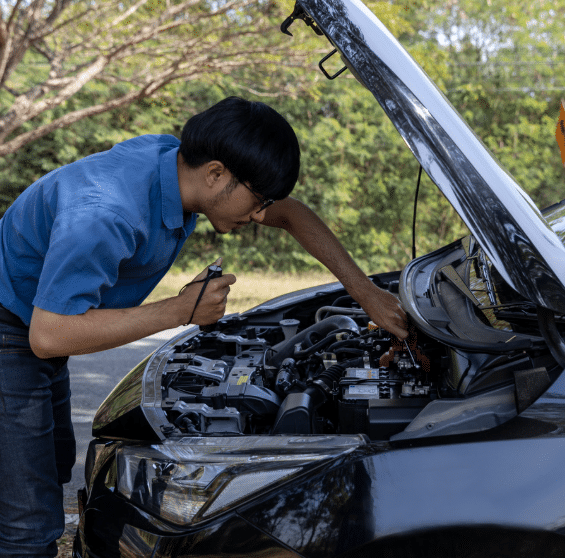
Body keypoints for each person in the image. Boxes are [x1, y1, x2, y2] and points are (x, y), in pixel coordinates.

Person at [0, 96, 407, 556]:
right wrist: (180, 311)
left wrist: (366, 293)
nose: (259, 215)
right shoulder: (107, 213)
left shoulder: (176, 166)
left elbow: (291, 213)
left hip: (30, 325)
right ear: (216, 174)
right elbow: (49, 334)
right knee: (27, 527)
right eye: (257, 201)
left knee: (42, 473)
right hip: (12, 330)